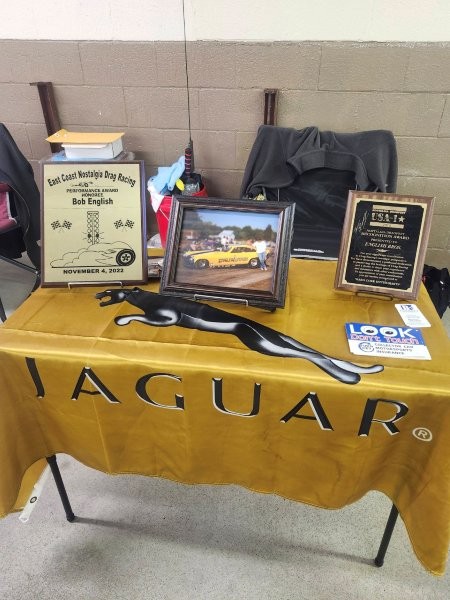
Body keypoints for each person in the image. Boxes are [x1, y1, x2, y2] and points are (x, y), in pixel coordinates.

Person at [96, 288, 384, 385]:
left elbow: (168, 318)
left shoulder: (154, 303)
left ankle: (348, 368)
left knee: (295, 348)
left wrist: (132, 317)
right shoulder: (154, 299)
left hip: (240, 327)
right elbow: (170, 315)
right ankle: (350, 368)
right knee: (295, 347)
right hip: (240, 325)